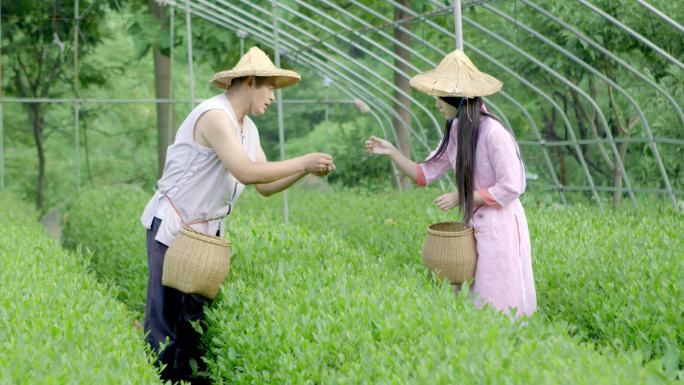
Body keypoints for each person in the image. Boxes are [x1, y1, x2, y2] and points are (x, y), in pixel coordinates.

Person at [140, 46, 335, 384]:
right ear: (248, 82)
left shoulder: (248, 129)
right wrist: (303, 160)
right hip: (173, 228)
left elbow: (265, 185)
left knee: (195, 324)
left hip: (205, 237)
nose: (273, 97)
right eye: (269, 87)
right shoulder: (215, 115)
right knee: (165, 323)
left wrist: (306, 172)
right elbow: (245, 171)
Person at [366, 49, 536, 318]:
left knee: (499, 298)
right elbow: (425, 174)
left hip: (500, 227)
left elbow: (512, 186)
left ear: (454, 97)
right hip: (475, 226)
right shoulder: (457, 130)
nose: (435, 103)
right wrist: (392, 152)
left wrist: (463, 196)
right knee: (473, 297)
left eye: (438, 97)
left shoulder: (494, 133)